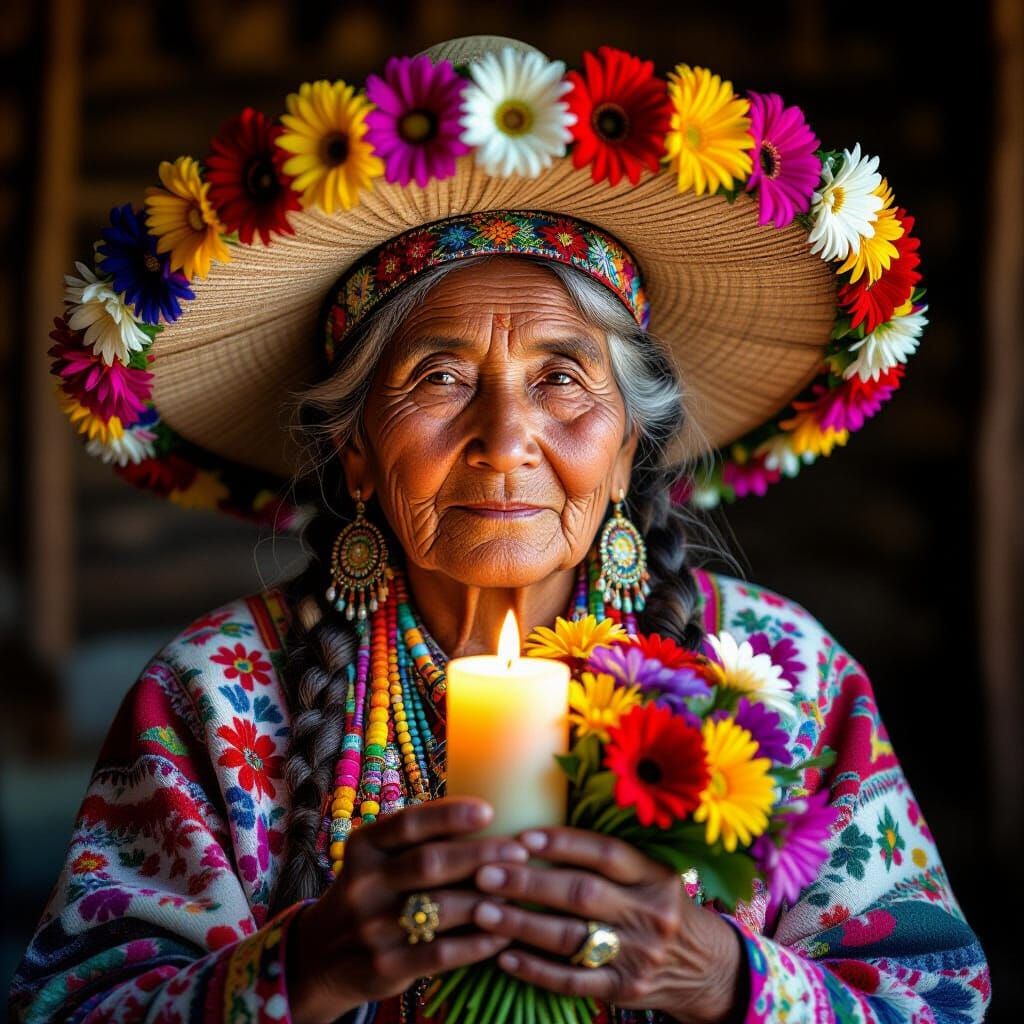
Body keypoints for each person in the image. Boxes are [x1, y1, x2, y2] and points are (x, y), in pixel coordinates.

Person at [10, 34, 990, 1024]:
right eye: (437, 378)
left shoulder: (777, 674)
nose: (504, 439)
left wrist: (721, 977)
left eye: (561, 379)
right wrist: (305, 968)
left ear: (623, 452)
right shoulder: (218, 693)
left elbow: (936, 1001)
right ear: (355, 453)